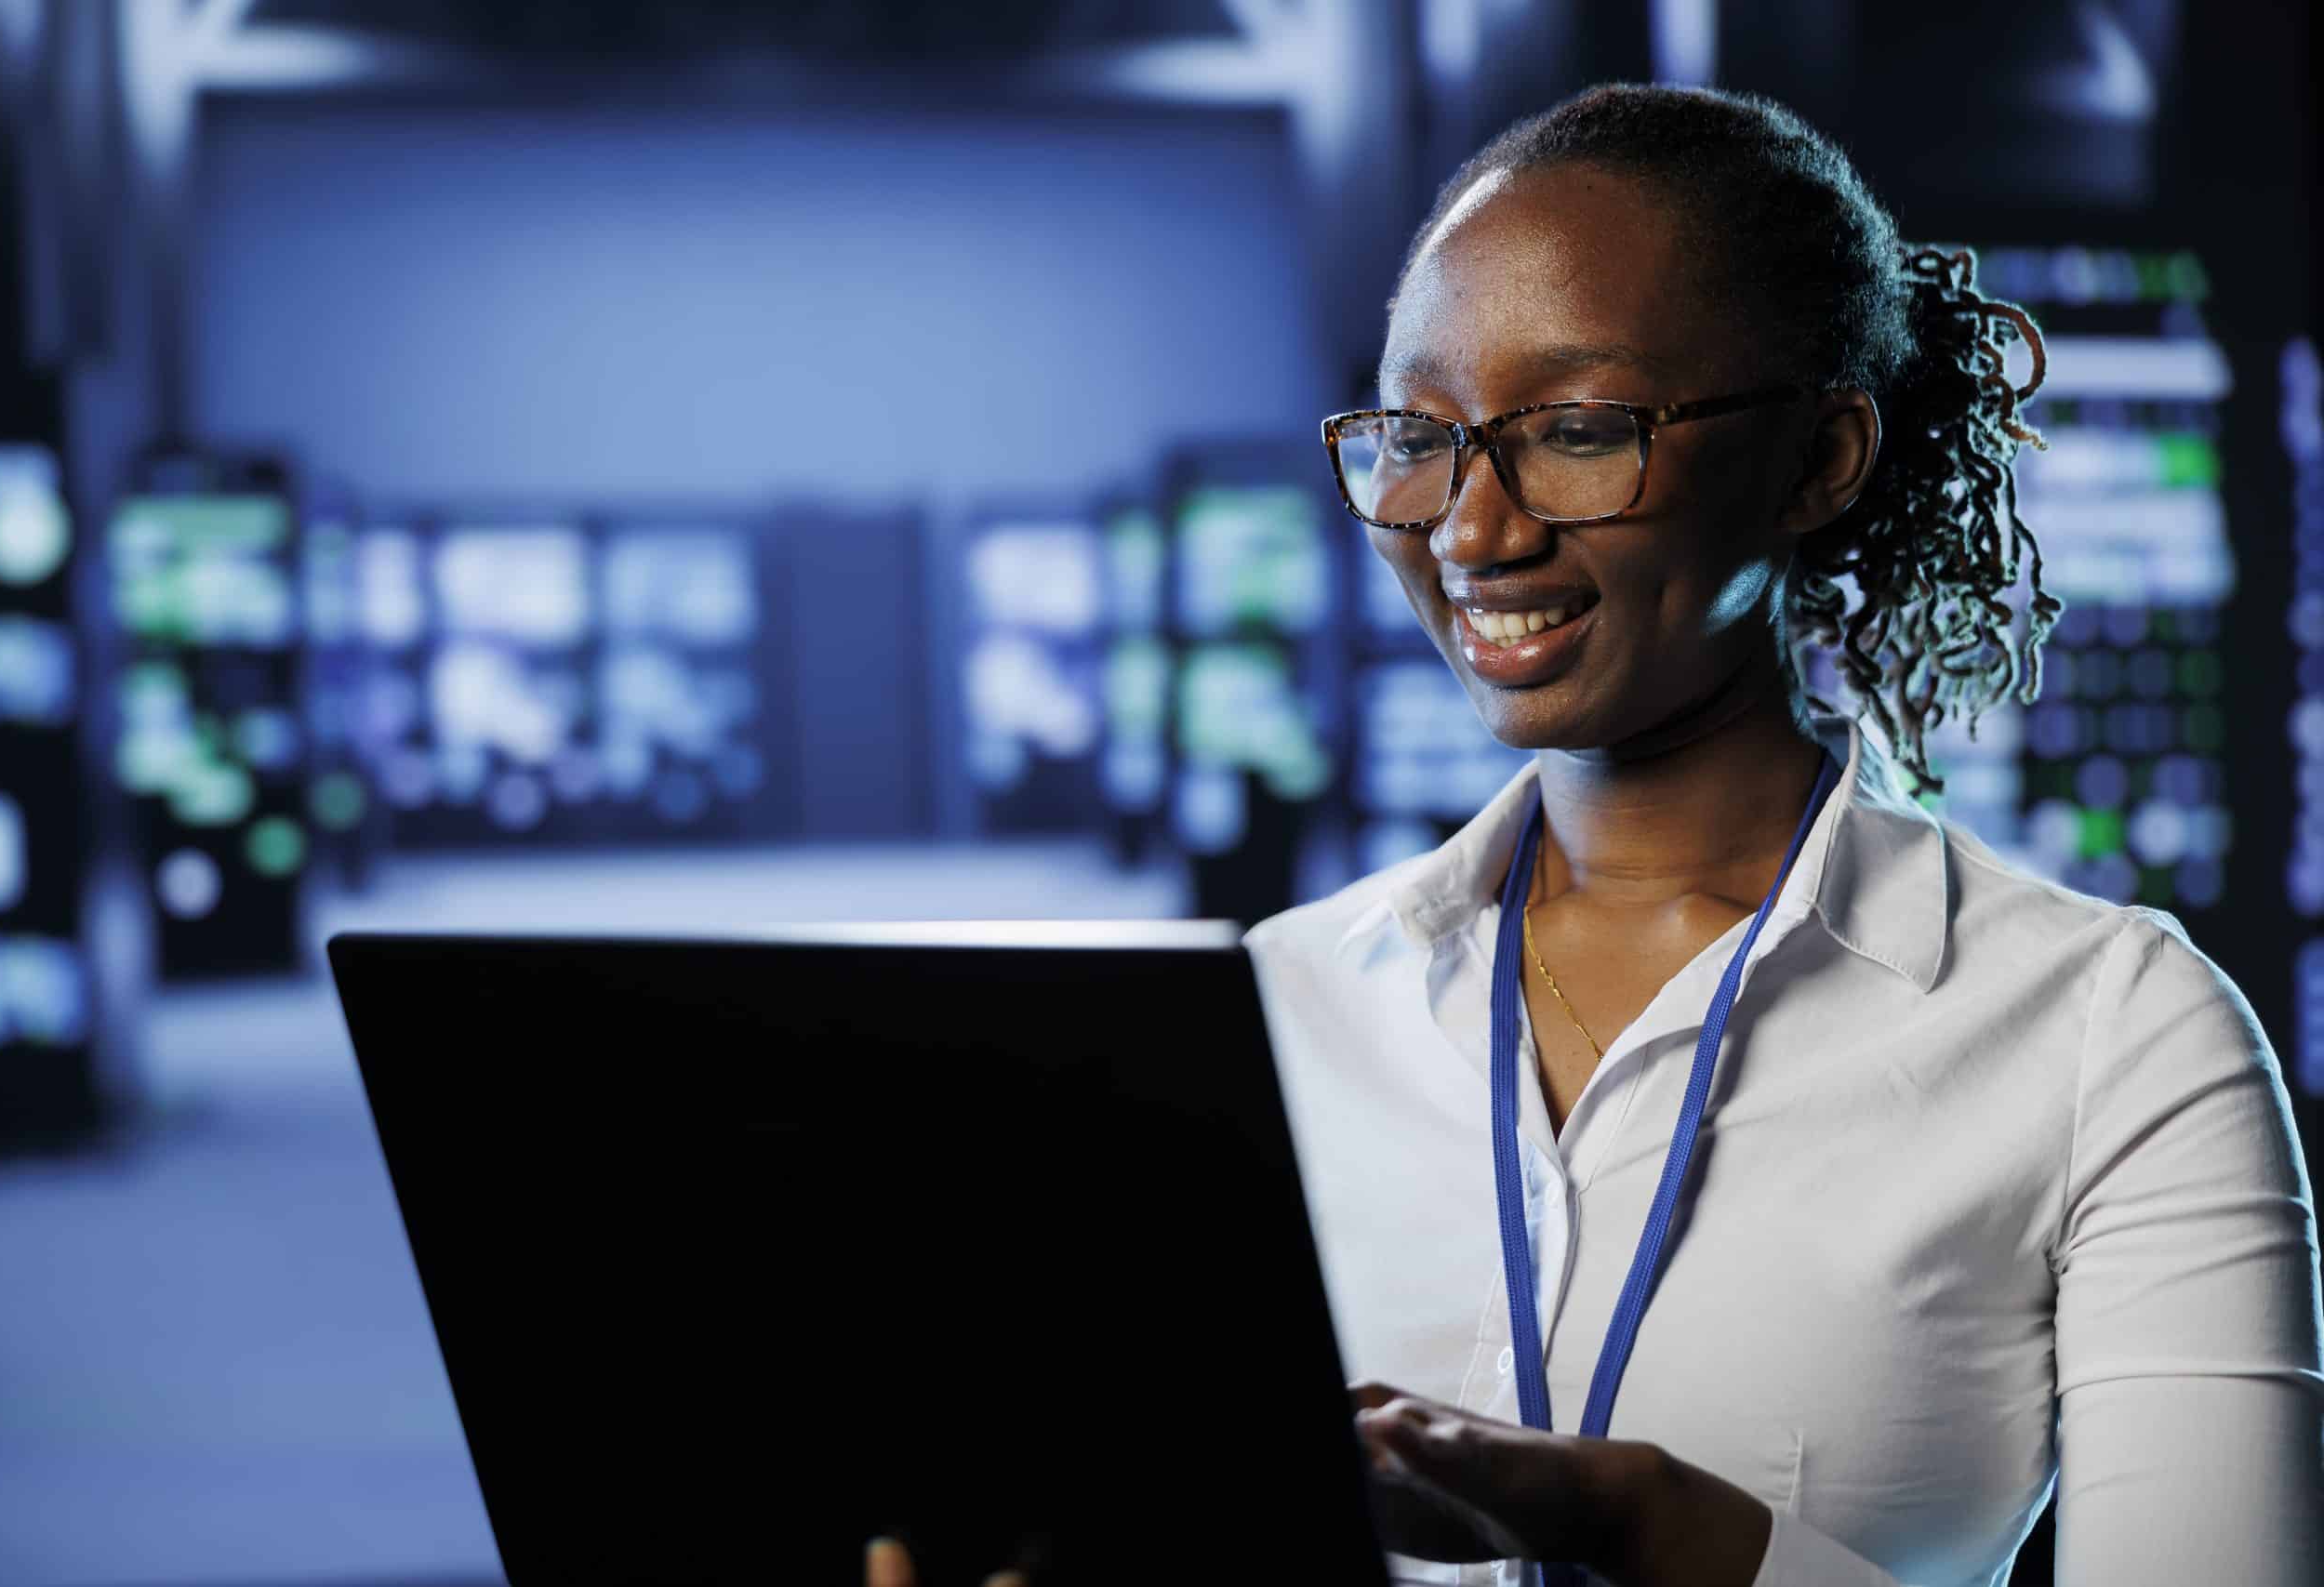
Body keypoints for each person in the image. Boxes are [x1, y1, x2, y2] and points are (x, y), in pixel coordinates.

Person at [862, 81, 2324, 1586]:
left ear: (1819, 458)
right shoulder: (1273, 1012)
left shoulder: (2112, 1038)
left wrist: (1668, 1534)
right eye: (1417, 437)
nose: (1471, 529)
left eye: (1574, 430)